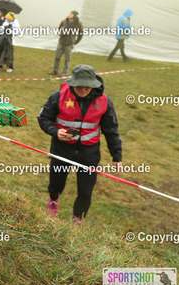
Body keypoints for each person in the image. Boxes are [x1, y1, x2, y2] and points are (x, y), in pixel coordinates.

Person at [37, 65, 123, 223]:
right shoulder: (58, 96)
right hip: (61, 150)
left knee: (85, 192)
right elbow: (43, 118)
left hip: (89, 154)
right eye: (79, 86)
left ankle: (77, 221)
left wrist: (116, 156)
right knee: (55, 185)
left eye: (87, 86)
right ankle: (54, 199)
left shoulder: (105, 102)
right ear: (72, 82)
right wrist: (55, 131)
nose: (83, 89)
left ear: (94, 84)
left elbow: (111, 130)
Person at [49, 10, 83, 76]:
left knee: (67, 59)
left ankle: (64, 73)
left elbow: (80, 33)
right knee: (57, 57)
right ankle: (55, 71)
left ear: (74, 15)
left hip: (69, 43)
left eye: (71, 14)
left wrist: (76, 41)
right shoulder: (64, 21)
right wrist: (60, 33)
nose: (69, 15)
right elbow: (59, 29)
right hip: (61, 42)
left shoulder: (78, 23)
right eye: (69, 13)